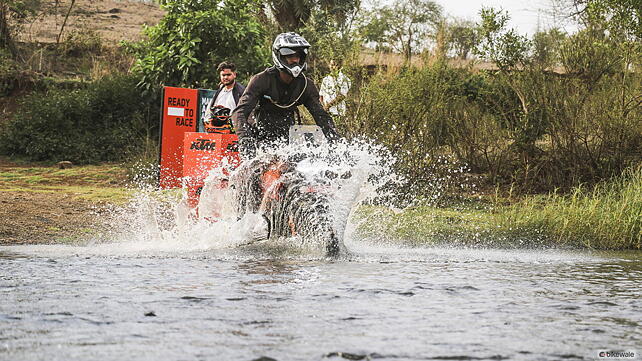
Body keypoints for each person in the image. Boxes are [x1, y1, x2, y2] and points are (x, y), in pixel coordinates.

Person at [231, 32, 340, 158]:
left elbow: (322, 117)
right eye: (289, 55)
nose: (295, 60)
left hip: (288, 138)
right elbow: (239, 113)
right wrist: (245, 141)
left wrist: (336, 144)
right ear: (279, 56)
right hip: (259, 137)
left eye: (298, 56)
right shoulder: (261, 80)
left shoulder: (306, 85)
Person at [203, 61, 245, 133]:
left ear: (234, 75)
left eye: (228, 75)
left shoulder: (241, 91)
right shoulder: (219, 91)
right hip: (218, 130)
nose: (226, 77)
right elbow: (209, 111)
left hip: (235, 131)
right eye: (223, 75)